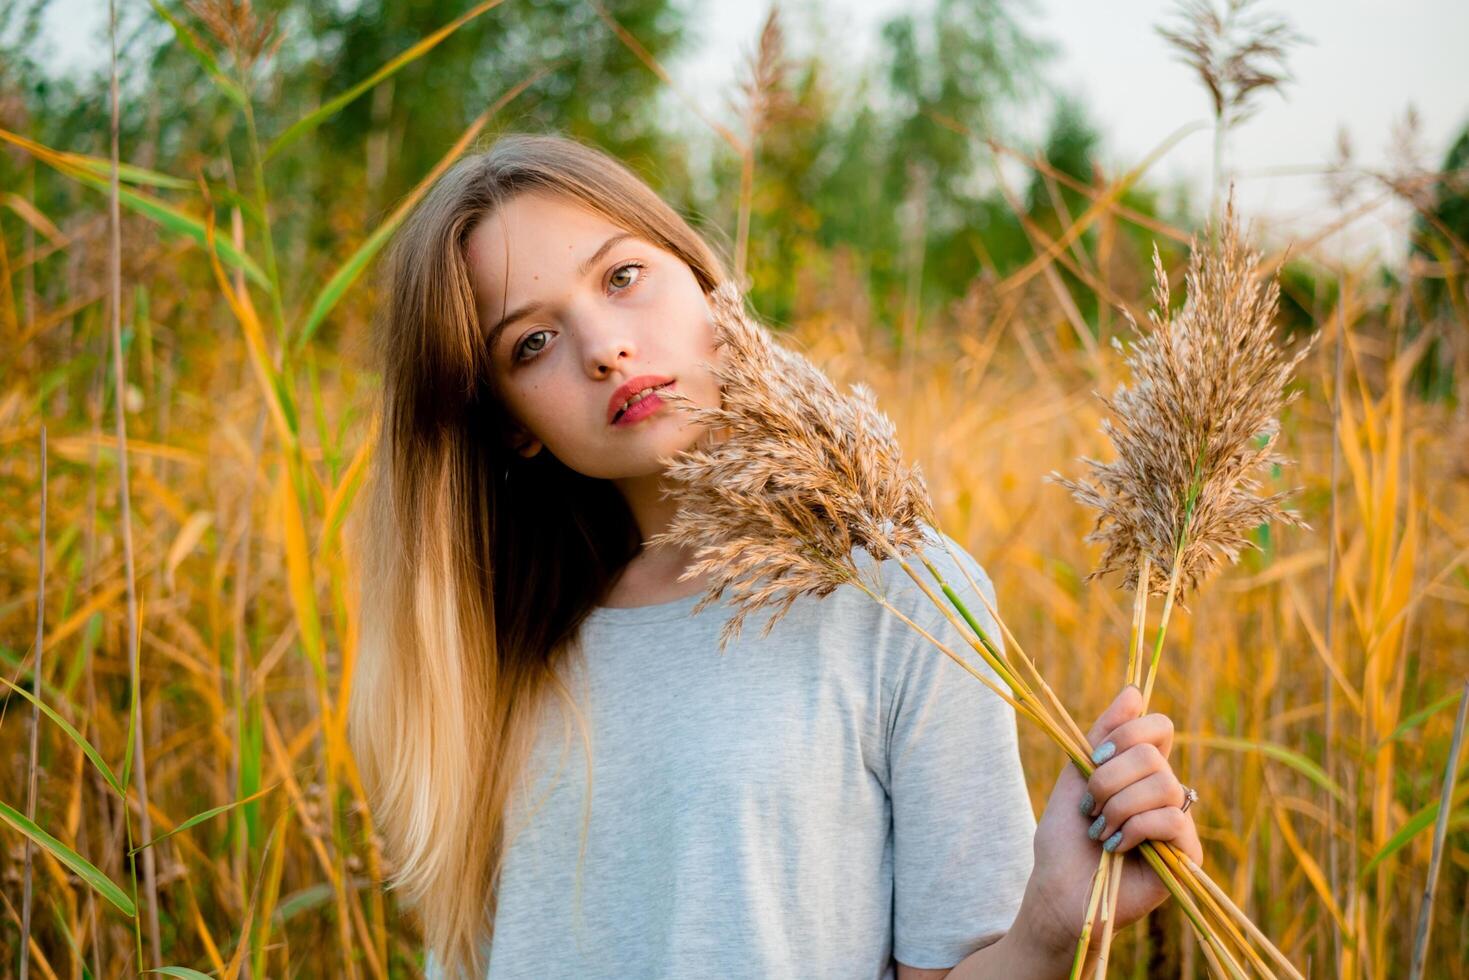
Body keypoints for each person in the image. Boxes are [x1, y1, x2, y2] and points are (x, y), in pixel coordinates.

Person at [345, 132, 1204, 980]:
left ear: (704, 281)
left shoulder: (904, 593)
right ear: (509, 425)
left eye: (621, 277)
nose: (604, 346)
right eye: (530, 343)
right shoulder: (481, 649)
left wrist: (1049, 927)